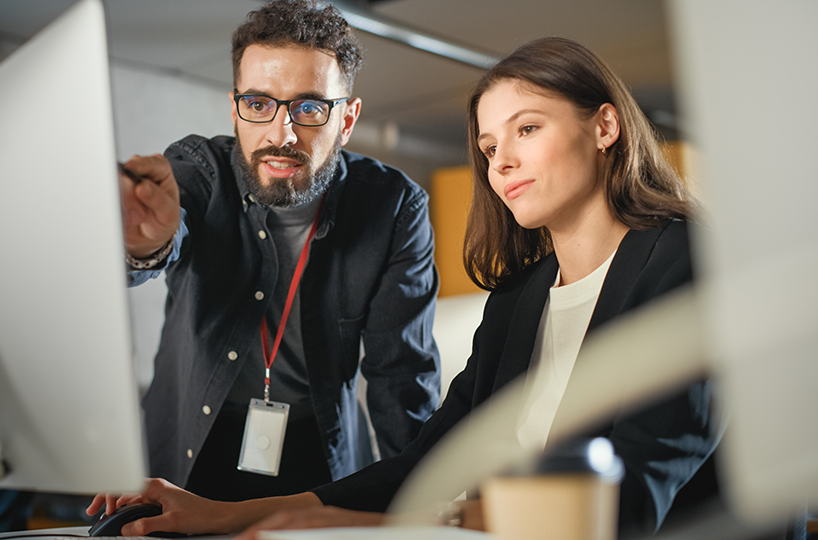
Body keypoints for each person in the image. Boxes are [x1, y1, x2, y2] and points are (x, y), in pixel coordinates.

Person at [88, 37, 719, 539]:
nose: (500, 162)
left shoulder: (690, 262)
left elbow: (633, 497)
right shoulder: (520, 298)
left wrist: (378, 526)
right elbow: (431, 459)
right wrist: (220, 514)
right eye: (489, 143)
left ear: (605, 126)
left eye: (527, 130)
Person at [112, 0, 441, 503]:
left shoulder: (394, 208)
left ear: (347, 120)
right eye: (260, 104)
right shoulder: (199, 170)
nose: (281, 134)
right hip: (190, 448)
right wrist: (143, 244)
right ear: (235, 109)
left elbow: (402, 376)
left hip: (319, 454)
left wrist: (425, 504)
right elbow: (165, 236)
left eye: (309, 107)